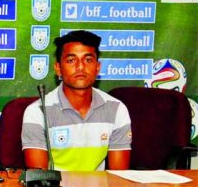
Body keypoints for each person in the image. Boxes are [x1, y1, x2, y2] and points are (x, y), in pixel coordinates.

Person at [22, 30, 131, 171]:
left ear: (98, 68)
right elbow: (39, 181)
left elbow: (119, 178)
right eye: (71, 60)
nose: (80, 67)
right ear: (58, 69)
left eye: (88, 60)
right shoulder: (38, 112)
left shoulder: (116, 109)